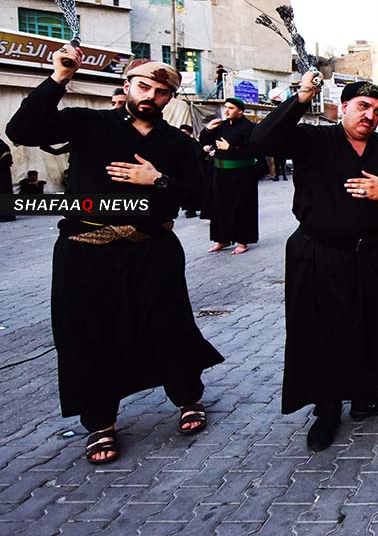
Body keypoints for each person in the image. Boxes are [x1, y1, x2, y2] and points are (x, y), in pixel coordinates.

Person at [6, 51, 222, 465]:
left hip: (151, 250)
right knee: (87, 334)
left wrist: (157, 180)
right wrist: (60, 77)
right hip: (85, 251)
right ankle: (100, 423)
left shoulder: (176, 143)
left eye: (162, 92)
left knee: (167, 326)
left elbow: (201, 196)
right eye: (144, 86)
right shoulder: (89, 123)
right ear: (127, 87)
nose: (151, 96)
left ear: (170, 98)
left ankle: (188, 397)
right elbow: (22, 129)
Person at [250, 77, 378, 452]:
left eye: (377, 111)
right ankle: (327, 409)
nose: (370, 116)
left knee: (373, 327)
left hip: (374, 256)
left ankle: (366, 399)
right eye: (363, 107)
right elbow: (260, 141)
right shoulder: (314, 141)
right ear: (343, 107)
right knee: (322, 332)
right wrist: (300, 99)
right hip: (319, 254)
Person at [200, 97, 258, 255]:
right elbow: (203, 141)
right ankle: (222, 239)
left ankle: (242, 241)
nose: (226, 110)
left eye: (230, 108)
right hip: (220, 172)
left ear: (240, 111)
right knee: (219, 206)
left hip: (242, 174)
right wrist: (208, 130)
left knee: (241, 207)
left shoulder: (250, 127)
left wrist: (231, 147)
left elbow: (255, 150)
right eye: (225, 107)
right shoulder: (221, 126)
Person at [178, 124, 205, 218]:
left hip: (194, 172)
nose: (183, 134)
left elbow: (199, 157)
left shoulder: (194, 143)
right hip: (182, 172)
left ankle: (192, 210)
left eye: (185, 132)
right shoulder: (178, 143)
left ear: (189, 133)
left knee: (194, 192)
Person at [0, 137, 14, 221]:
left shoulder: (1, 145)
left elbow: (7, 158)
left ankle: (7, 215)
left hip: (3, 173)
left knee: (4, 192)